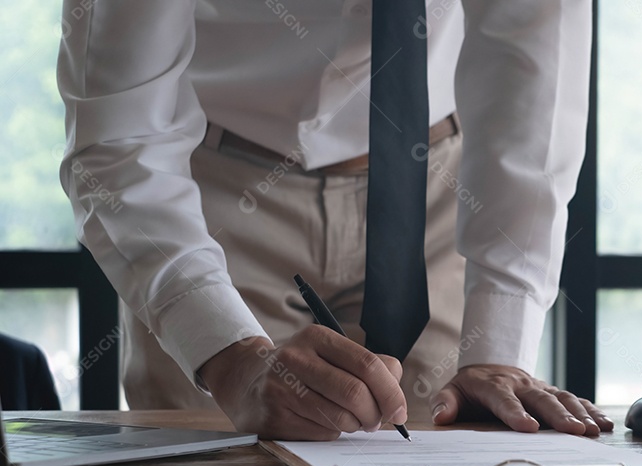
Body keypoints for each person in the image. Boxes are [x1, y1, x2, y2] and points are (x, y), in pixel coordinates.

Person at [57, 0, 612, 440]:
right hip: (209, 196)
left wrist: (498, 349)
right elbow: (119, 133)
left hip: (437, 191)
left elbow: (534, 64)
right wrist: (227, 358)